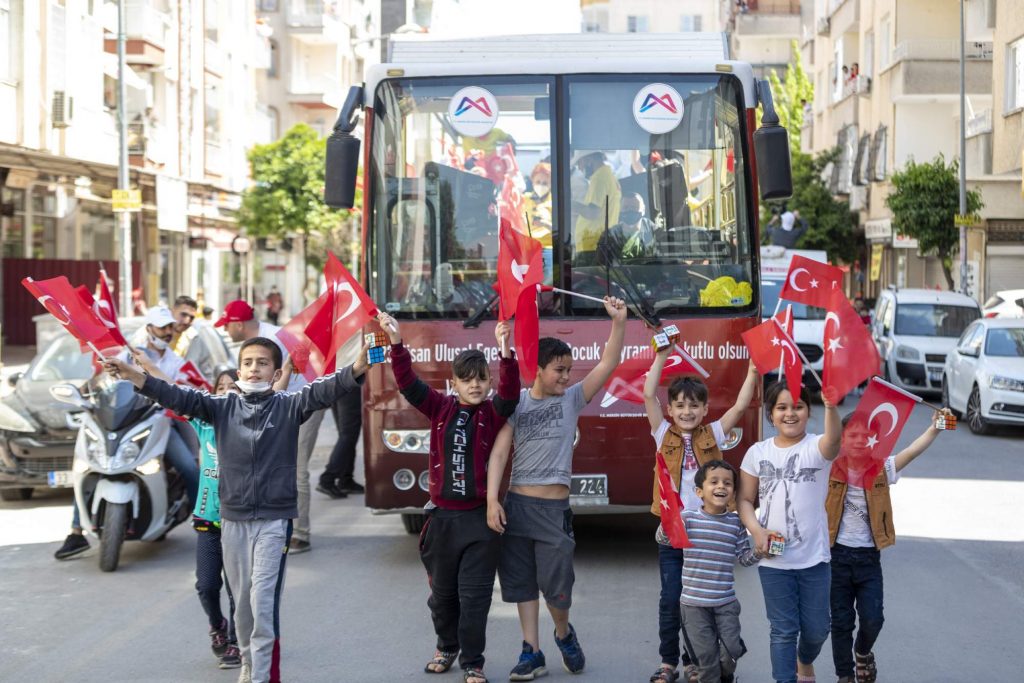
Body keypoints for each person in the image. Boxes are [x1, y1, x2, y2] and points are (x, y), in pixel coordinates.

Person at [102, 336, 367, 683]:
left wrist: (359, 365)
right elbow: (175, 395)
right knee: (242, 606)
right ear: (239, 370)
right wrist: (133, 375)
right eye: (248, 362)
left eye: (263, 363)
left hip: (274, 522)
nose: (254, 368)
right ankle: (248, 661)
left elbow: (327, 389)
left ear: (275, 374)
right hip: (233, 521)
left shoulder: (290, 405)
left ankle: (261, 676)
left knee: (262, 601)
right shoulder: (220, 407)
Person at [486, 296, 628, 681]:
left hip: (554, 513)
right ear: (537, 370)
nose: (566, 377)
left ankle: (563, 632)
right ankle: (531, 651)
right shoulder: (516, 405)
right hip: (517, 507)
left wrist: (618, 323)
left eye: (568, 370)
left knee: (558, 588)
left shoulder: (573, 399)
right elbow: (499, 454)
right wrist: (492, 500)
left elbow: (608, 363)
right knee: (522, 584)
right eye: (559, 370)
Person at [380, 312, 518, 683]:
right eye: (467, 379)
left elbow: (510, 392)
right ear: (453, 383)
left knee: (475, 598)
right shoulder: (440, 408)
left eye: (481, 379)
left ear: (489, 382)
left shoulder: (493, 413)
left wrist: (505, 350)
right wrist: (396, 343)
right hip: (441, 520)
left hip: (479, 521)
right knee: (442, 597)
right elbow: (408, 383)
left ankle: (473, 662)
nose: (475, 385)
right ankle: (446, 646)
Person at [643, 347, 760, 683]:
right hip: (673, 536)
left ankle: (695, 661)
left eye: (694, 405)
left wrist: (753, 371)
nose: (687, 411)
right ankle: (669, 662)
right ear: (670, 410)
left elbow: (740, 406)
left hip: (707, 537)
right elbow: (649, 394)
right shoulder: (662, 433)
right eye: (679, 405)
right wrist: (661, 357)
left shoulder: (713, 434)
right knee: (671, 600)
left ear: (705, 409)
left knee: (700, 606)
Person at [827, 410, 950, 683]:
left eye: (866, 436)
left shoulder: (882, 468)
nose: (860, 441)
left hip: (869, 558)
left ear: (875, 440)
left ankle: (862, 651)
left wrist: (936, 428)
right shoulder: (830, 468)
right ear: (842, 439)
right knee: (841, 622)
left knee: (873, 619)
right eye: (853, 435)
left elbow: (912, 451)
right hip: (836, 557)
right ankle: (844, 675)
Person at [738, 381, 842, 683]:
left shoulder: (816, 447)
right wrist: (756, 531)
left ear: (809, 411)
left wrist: (831, 407)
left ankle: (804, 660)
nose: (790, 413)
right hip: (774, 562)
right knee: (783, 630)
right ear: (771, 414)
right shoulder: (758, 452)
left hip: (814, 560)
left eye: (798, 406)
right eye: (782, 407)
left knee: (817, 630)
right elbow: (744, 500)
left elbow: (834, 440)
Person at [215, 300, 324, 555]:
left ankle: (300, 534)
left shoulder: (273, 339)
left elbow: (290, 378)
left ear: (238, 324)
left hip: (300, 404)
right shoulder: (255, 345)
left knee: (296, 468)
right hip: (279, 405)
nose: (225, 330)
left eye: (227, 325)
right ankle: (273, 526)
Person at [680, 460, 761, 683]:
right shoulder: (688, 519)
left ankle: (724, 674)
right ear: (699, 491)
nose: (721, 486)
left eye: (727, 483)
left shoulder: (736, 523)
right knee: (706, 659)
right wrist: (667, 525)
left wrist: (759, 552)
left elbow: (744, 558)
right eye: (714, 482)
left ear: (733, 492)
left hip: (725, 602)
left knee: (730, 651)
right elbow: (664, 539)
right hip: (694, 605)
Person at [316, 333, 365, 498]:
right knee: (348, 434)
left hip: (334, 377)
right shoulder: (358, 323)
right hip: (351, 377)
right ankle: (327, 479)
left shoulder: (334, 323)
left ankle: (346, 479)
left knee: (345, 433)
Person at [571, 150, 621, 266]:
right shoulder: (608, 175)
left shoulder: (599, 178)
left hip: (592, 244)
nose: (579, 168)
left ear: (589, 160)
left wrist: (571, 204)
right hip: (599, 243)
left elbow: (593, 212)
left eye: (580, 163)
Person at [597, 192, 658, 265]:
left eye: (634, 207)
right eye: (625, 207)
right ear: (620, 210)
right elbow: (601, 265)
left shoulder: (655, 233)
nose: (629, 210)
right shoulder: (608, 237)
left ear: (643, 210)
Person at [523, 162, 554, 282]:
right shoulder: (524, 199)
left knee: (548, 281)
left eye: (545, 183)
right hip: (528, 248)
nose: (541, 185)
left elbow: (560, 230)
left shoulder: (555, 201)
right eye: (538, 182)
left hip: (548, 247)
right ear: (532, 182)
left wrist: (545, 223)